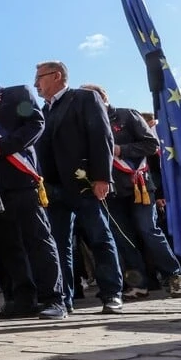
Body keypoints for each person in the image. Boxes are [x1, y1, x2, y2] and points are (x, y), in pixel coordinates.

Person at [0, 59, 67, 320]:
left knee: (38, 240)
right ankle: (21, 299)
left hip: (21, 178)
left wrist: (2, 146)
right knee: (7, 245)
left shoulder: (16, 93)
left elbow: (35, 124)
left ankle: (54, 299)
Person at [80, 84, 181, 299]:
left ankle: (175, 276)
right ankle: (139, 284)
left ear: (102, 96)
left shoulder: (126, 115)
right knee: (123, 238)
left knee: (148, 230)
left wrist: (122, 150)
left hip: (139, 185)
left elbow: (151, 144)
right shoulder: (85, 126)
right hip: (110, 191)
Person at [33, 61, 124, 315]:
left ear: (56, 76)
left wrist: (102, 177)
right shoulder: (43, 111)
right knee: (58, 245)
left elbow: (101, 136)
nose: (36, 84)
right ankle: (62, 300)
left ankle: (111, 294)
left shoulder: (84, 98)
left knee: (99, 238)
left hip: (85, 184)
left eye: (39, 78)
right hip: (53, 189)